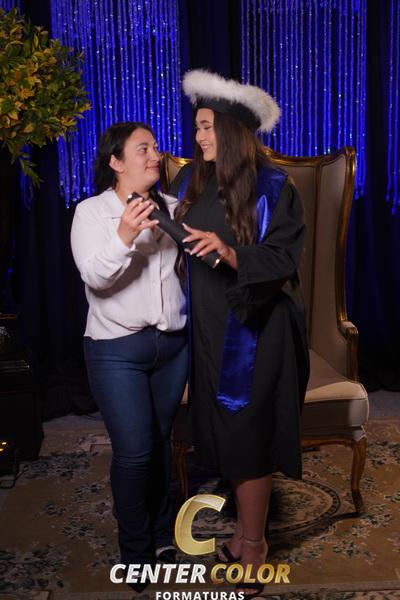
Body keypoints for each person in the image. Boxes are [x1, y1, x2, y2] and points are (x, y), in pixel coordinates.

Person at [171, 71, 309, 599]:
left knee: (247, 437)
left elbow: (282, 259)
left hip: (255, 334)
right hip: (209, 328)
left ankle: (254, 545)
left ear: (230, 130)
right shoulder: (194, 180)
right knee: (224, 434)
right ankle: (244, 534)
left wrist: (231, 254)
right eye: (197, 127)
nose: (199, 137)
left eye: (207, 127)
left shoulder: (273, 186)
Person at [71, 122, 187, 592]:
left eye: (155, 147)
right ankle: (136, 553)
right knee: (136, 453)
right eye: (143, 149)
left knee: (160, 443)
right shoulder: (92, 213)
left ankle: (161, 538)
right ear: (116, 162)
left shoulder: (173, 208)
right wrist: (124, 233)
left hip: (172, 347)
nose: (155, 155)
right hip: (115, 350)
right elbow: (95, 278)